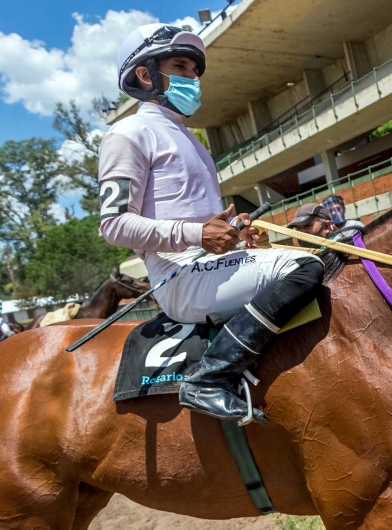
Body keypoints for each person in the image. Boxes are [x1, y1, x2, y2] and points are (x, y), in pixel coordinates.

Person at [99, 24, 324, 424]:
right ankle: (210, 377)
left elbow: (204, 223)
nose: (193, 78)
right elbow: (114, 225)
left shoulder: (193, 141)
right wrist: (198, 233)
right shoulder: (128, 132)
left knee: (321, 258)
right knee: (304, 267)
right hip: (178, 276)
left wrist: (237, 234)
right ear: (146, 74)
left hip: (209, 265)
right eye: (180, 66)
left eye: (195, 70)